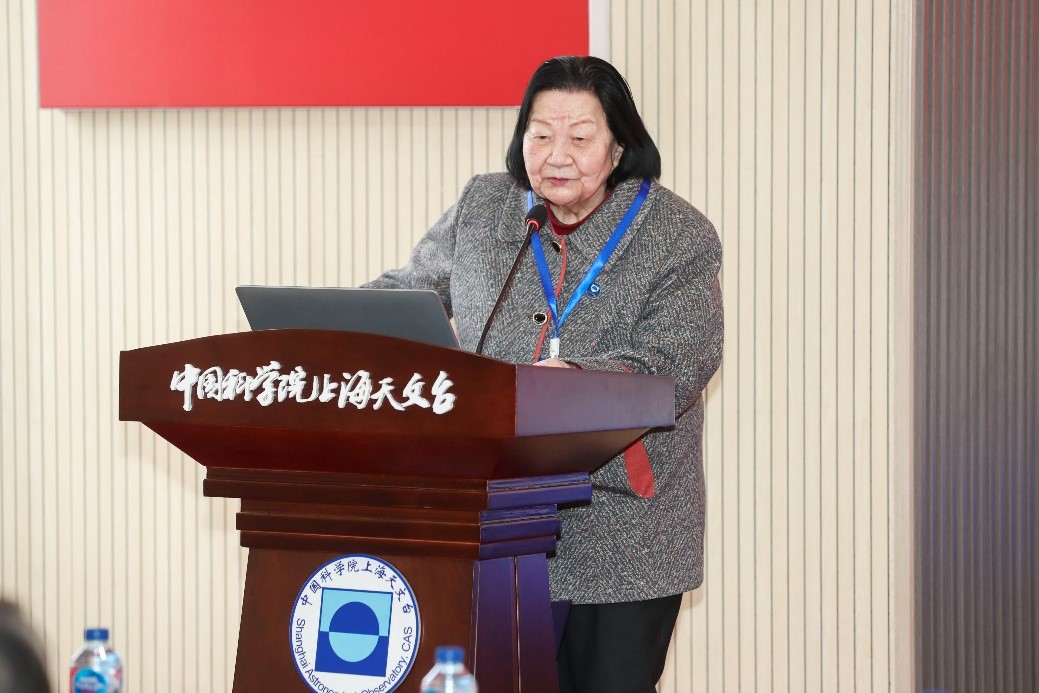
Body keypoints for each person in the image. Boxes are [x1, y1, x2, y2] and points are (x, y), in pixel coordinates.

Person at [365, 55, 723, 692]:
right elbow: (411, 292)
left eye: (580, 138)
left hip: (623, 534)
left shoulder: (678, 235)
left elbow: (677, 364)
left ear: (619, 147)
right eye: (540, 135)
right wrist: (339, 323)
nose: (557, 155)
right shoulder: (486, 206)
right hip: (497, 519)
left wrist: (574, 380)